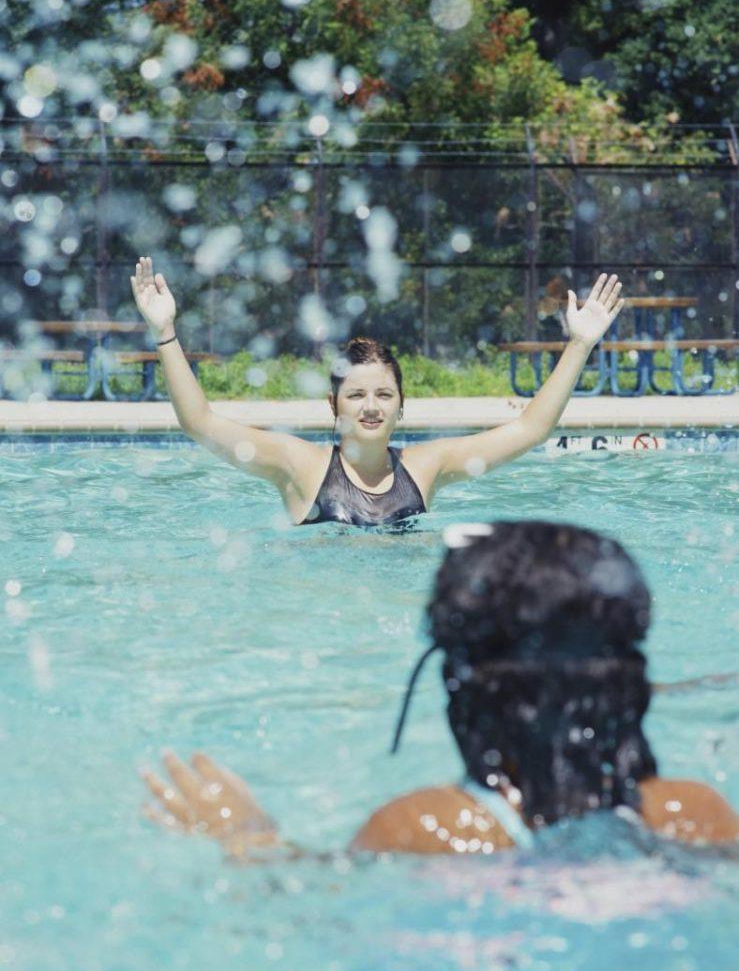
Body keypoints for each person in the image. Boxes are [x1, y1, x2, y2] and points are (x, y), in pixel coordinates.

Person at [140, 521, 738, 857]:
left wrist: (247, 837)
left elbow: (310, 909)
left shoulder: (426, 830)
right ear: (625, 683)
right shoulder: (691, 815)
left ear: (463, 683)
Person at [130, 257, 624, 526]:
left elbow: (531, 428)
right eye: (357, 396)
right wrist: (165, 333)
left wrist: (579, 343)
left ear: (401, 407)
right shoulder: (297, 465)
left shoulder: (428, 468)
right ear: (333, 406)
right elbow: (200, 424)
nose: (370, 407)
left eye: (384, 396)